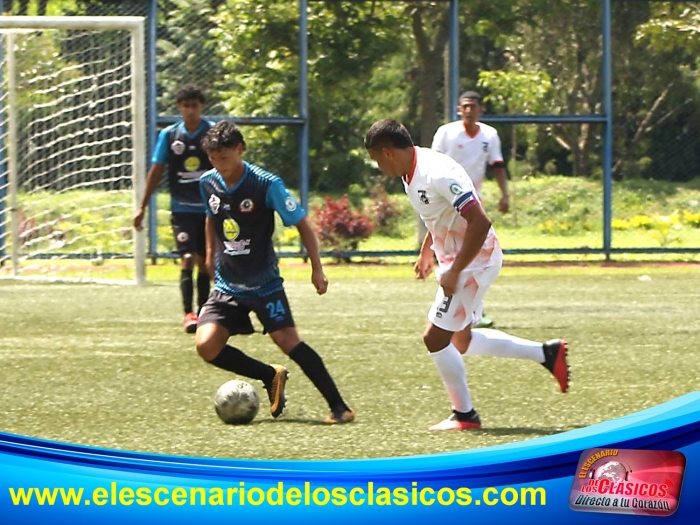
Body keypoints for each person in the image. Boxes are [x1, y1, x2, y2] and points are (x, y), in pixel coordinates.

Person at [364, 119, 568, 431]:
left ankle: (465, 415)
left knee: (434, 338)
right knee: (461, 340)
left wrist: (455, 271)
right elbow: (440, 215)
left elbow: (480, 222)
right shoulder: (411, 171)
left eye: (377, 160)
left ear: (388, 152)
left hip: (475, 261)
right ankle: (547, 354)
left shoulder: (436, 172)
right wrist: (427, 250)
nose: (379, 167)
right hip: (459, 260)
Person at [195, 120, 354, 424]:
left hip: (264, 284)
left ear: (240, 149)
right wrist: (210, 255)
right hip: (228, 284)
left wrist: (317, 268)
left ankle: (339, 407)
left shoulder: (266, 184)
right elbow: (210, 217)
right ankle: (270, 376)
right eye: (213, 158)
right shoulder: (208, 183)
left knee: (288, 341)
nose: (219, 165)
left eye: (224, 157)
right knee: (207, 345)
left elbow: (302, 224)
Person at [133, 84, 213, 334]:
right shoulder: (169, 135)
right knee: (187, 258)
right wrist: (142, 206)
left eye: (195, 106)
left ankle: (204, 312)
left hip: (209, 209)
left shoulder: (212, 133)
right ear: (179, 107)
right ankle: (189, 314)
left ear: (202, 107)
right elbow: (156, 170)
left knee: (205, 262)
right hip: (182, 209)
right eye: (186, 106)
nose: (191, 110)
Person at [431, 90, 509, 329]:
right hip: (447, 203)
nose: (468, 110)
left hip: (472, 204)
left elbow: (497, 165)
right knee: (451, 255)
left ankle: (474, 310)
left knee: (476, 256)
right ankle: (455, 308)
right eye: (464, 106)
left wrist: (505, 194)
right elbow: (432, 163)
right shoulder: (446, 133)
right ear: (458, 109)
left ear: (480, 110)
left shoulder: (489, 135)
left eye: (473, 106)